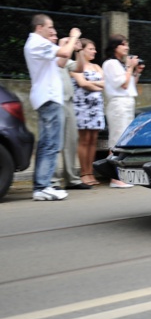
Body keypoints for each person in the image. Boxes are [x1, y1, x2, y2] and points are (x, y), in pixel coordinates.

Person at [23, 14, 82, 201]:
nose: (52, 31)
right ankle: (43, 186)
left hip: (48, 99)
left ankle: (43, 185)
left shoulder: (39, 45)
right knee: (50, 144)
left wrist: (71, 45)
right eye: (50, 27)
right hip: (49, 99)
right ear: (39, 27)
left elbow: (61, 61)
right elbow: (64, 54)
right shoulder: (36, 43)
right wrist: (73, 37)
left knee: (47, 143)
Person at [102, 34, 145, 188]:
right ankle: (114, 178)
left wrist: (136, 72)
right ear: (115, 47)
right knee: (116, 140)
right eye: (123, 44)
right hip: (118, 104)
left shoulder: (120, 65)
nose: (127, 47)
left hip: (127, 102)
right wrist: (130, 67)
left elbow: (131, 84)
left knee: (124, 140)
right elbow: (123, 84)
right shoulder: (111, 63)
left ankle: (121, 175)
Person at [53, 36, 91, 190]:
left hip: (68, 102)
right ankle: (53, 181)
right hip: (55, 102)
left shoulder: (65, 58)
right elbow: (60, 59)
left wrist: (80, 50)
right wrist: (66, 43)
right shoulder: (50, 56)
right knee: (55, 143)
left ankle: (72, 179)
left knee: (71, 141)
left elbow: (80, 68)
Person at [71, 38, 105, 186]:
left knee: (93, 141)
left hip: (96, 108)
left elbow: (106, 83)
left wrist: (92, 84)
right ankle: (83, 173)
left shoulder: (97, 66)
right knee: (84, 141)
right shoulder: (74, 66)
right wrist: (96, 85)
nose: (94, 51)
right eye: (91, 49)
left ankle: (90, 172)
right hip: (82, 107)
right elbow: (82, 83)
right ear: (82, 49)